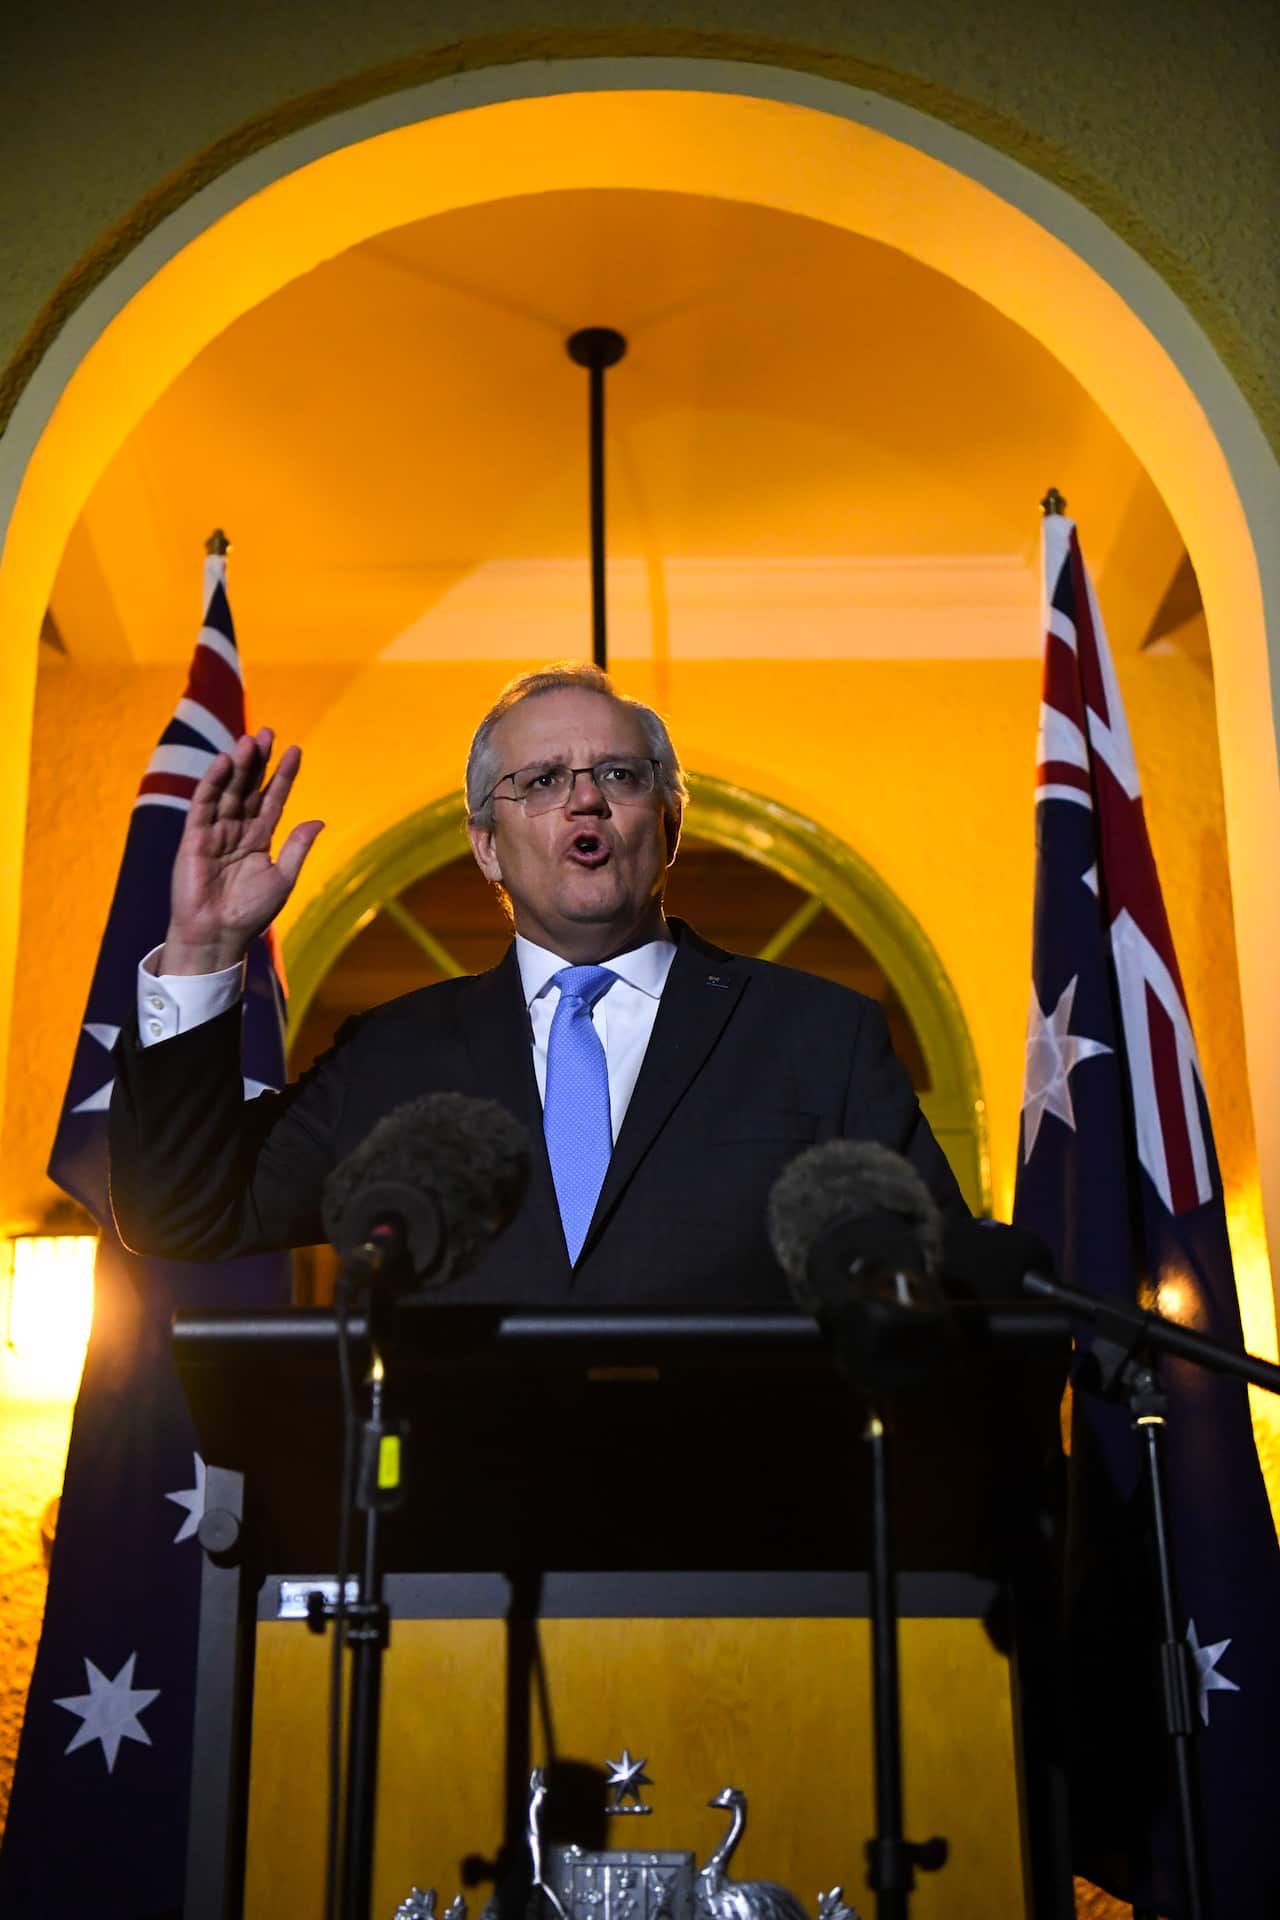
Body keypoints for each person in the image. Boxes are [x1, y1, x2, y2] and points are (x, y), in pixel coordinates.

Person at [109, 663, 966, 1304]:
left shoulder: (818, 1037)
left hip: (733, 1531)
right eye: (543, 781)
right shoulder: (391, 1057)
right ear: (487, 844)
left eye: (620, 776)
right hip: (471, 1528)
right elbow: (182, 1211)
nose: (585, 801)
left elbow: (946, 1291)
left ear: (667, 825)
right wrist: (204, 944)